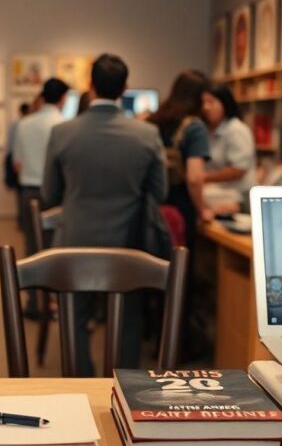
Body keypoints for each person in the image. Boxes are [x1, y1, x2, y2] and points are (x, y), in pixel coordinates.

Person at [42, 54, 167, 376]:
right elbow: (160, 191)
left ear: (90, 85)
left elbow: (50, 194)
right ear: (125, 88)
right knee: (128, 318)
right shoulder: (147, 134)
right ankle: (123, 383)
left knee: (76, 315)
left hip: (76, 241)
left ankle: (80, 378)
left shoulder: (62, 132)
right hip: (128, 243)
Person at [147, 70, 212, 240]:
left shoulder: (154, 121)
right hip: (180, 208)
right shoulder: (195, 127)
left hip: (150, 207)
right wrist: (202, 210)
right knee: (180, 255)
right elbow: (194, 178)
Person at [13, 78, 70, 256]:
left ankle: (32, 276)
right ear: (63, 98)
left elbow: (17, 164)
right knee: (55, 249)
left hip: (29, 192)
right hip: (57, 193)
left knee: (32, 247)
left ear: (43, 96)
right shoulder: (65, 125)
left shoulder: (24, 124)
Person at [201, 85, 256, 213]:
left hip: (240, 197)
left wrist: (203, 177)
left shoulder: (236, 129)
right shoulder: (210, 130)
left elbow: (238, 170)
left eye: (211, 102)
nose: (206, 107)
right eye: (203, 103)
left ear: (224, 103)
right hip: (220, 193)